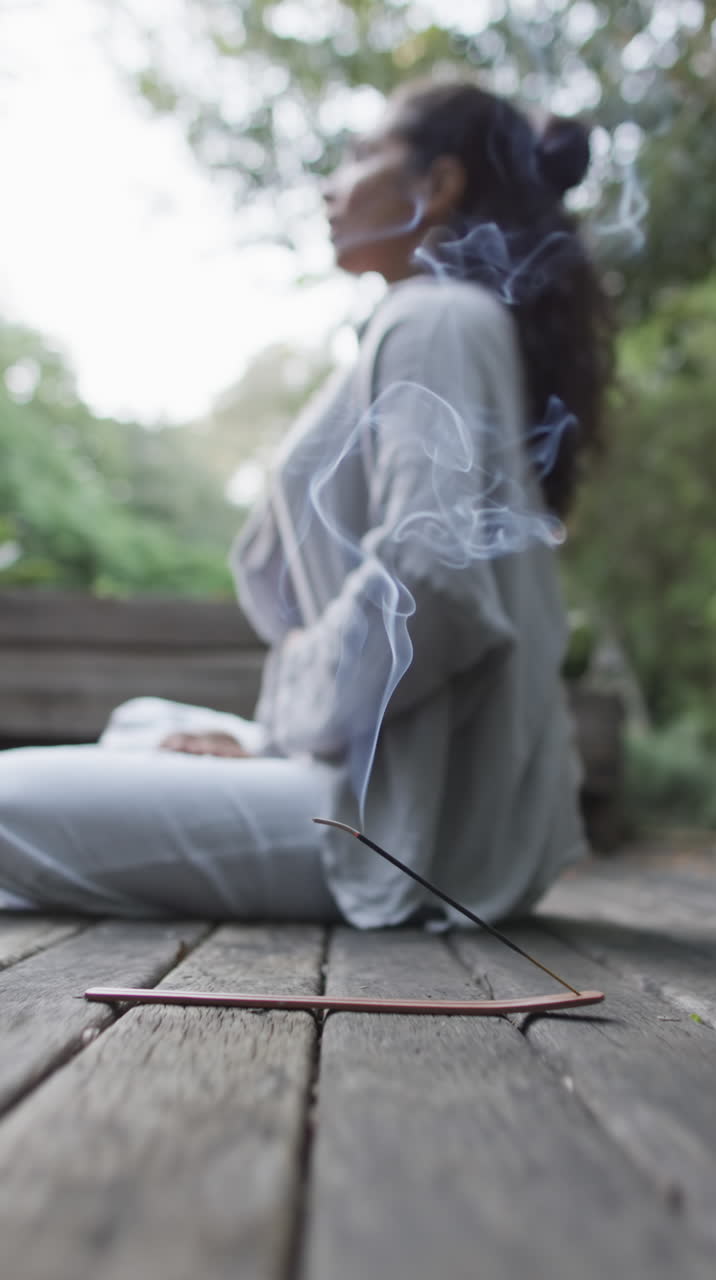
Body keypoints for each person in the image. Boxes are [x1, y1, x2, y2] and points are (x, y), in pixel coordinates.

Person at [0, 79, 612, 924]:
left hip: (402, 829)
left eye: (362, 155)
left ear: (437, 186)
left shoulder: (433, 316)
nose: (332, 183)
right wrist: (271, 738)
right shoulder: (451, 320)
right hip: (415, 795)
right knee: (145, 723)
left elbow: (427, 585)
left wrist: (286, 726)